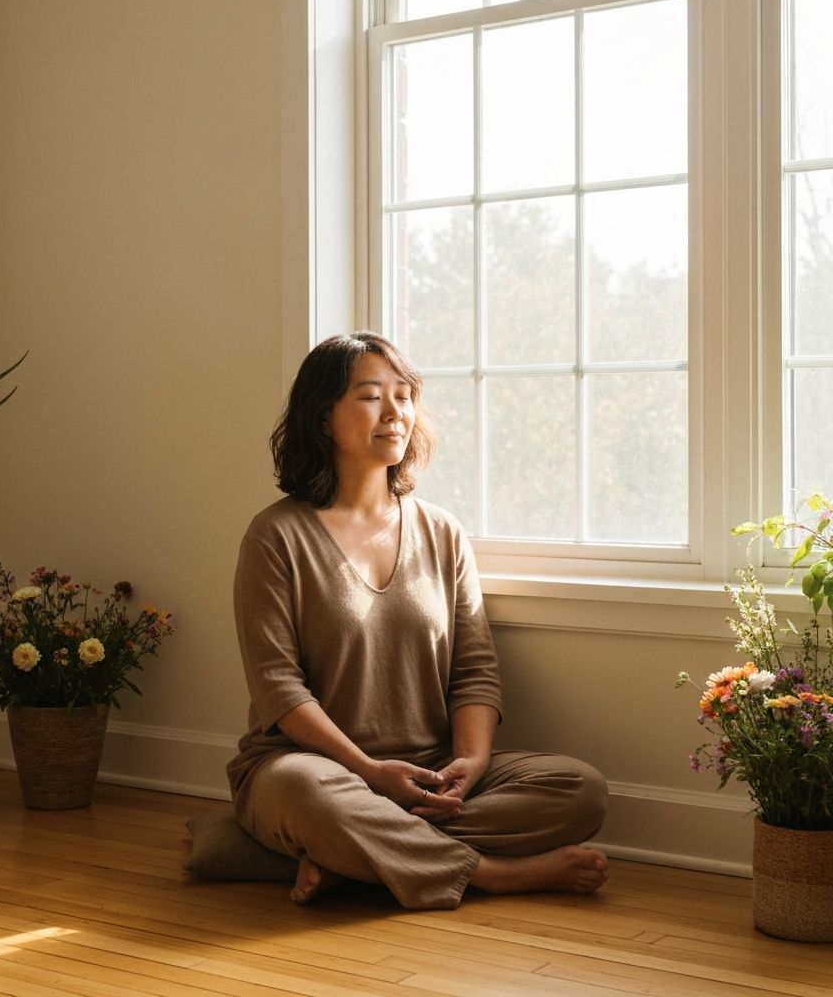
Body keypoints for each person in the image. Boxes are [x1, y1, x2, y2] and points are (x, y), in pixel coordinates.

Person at [227, 331, 608, 910]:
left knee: (581, 790)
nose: (394, 413)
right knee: (307, 793)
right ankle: (491, 874)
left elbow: (475, 668)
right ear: (322, 416)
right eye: (371, 396)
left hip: (429, 772)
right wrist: (369, 772)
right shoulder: (275, 536)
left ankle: (354, 860)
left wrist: (472, 764)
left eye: (404, 396)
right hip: (315, 768)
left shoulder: (441, 531)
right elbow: (278, 689)